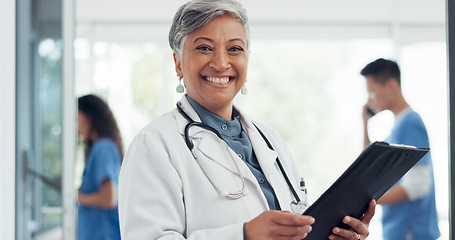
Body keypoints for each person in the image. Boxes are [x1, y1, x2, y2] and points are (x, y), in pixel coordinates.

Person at [118, 1, 376, 239]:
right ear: (178, 63)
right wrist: (244, 234)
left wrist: (333, 234)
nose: (221, 63)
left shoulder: (269, 140)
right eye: (204, 48)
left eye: (234, 49)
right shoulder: (153, 144)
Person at [361, 58, 440, 240]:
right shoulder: (398, 127)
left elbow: (418, 186)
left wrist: (369, 202)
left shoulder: (409, 123)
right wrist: (365, 123)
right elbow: (368, 165)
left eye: (372, 92)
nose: (369, 99)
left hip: (411, 230)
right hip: (402, 230)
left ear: (391, 85)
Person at [77, 94, 123, 240]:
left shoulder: (103, 148)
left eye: (76, 117)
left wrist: (77, 197)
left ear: (89, 116)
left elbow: (109, 198)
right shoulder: (100, 148)